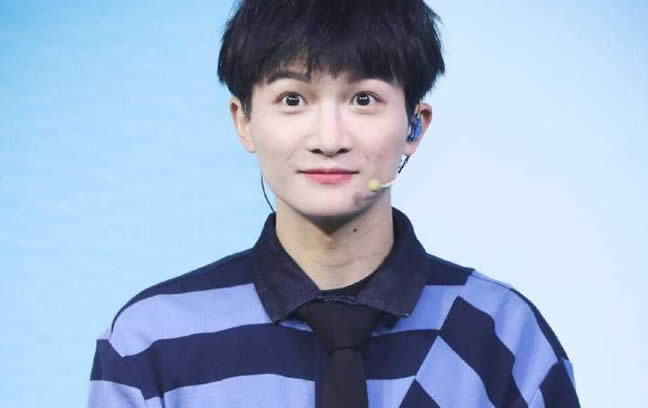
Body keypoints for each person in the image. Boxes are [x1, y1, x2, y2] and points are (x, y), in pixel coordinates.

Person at [87, 0, 581, 407]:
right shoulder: (151, 341)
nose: (329, 139)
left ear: (414, 125)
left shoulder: (502, 334)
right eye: (292, 99)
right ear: (244, 121)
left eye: (363, 99)